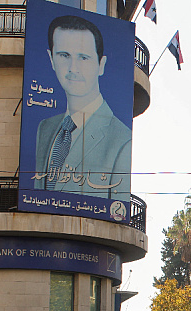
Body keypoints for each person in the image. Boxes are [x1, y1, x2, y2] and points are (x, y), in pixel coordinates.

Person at [34, 15, 131, 200]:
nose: (73, 68)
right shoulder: (45, 128)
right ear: (51, 59)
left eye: (83, 58)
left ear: (101, 64)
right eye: (64, 55)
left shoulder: (122, 141)